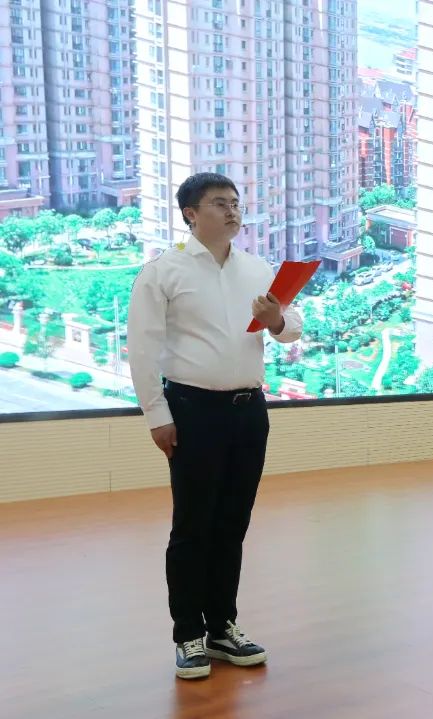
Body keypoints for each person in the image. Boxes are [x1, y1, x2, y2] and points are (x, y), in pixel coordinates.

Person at [127, 172, 303, 679]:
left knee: (232, 523)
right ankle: (188, 633)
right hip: (193, 410)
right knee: (193, 526)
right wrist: (157, 415)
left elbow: (291, 329)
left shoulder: (257, 269)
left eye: (235, 203)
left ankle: (223, 626)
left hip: (249, 411)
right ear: (190, 213)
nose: (232, 211)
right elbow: (142, 349)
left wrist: (275, 319)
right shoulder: (164, 271)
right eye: (219, 203)